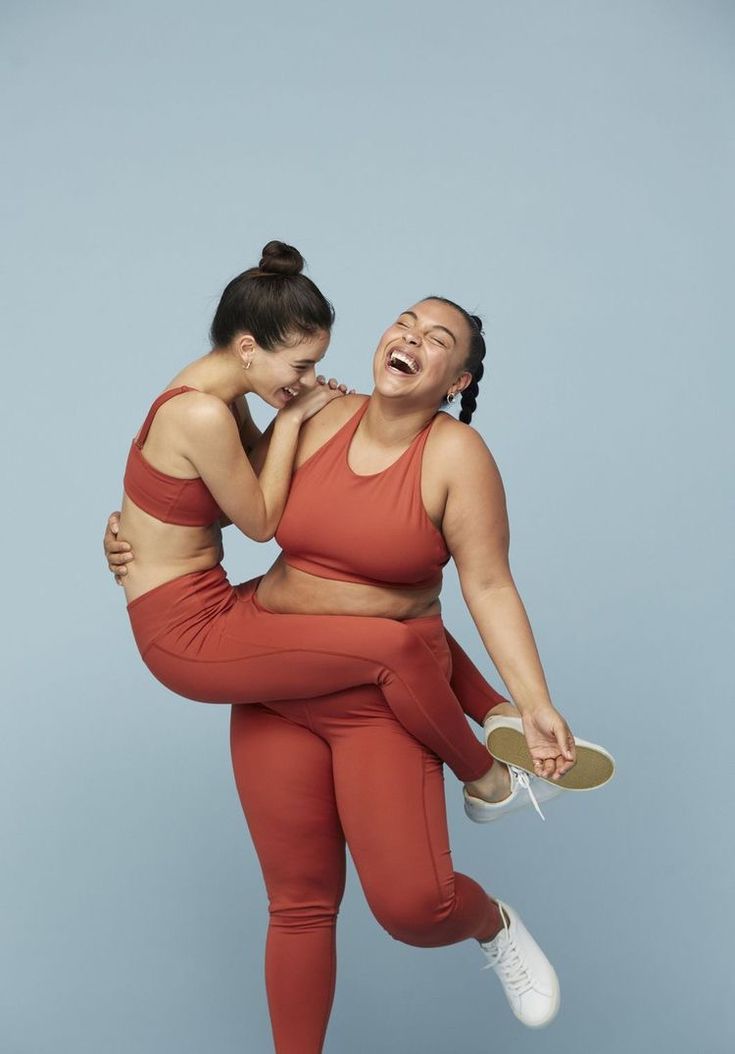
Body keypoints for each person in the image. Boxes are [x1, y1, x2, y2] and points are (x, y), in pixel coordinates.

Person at [105, 242, 614, 1047]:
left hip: (383, 703)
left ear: (457, 383)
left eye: (438, 338)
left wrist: (537, 699)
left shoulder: (455, 456)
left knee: (415, 908)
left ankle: (493, 918)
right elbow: (218, 496)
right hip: (276, 676)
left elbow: (486, 587)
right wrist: (124, 540)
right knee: (298, 906)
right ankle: (489, 765)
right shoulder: (314, 414)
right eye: (405, 321)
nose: (411, 334)